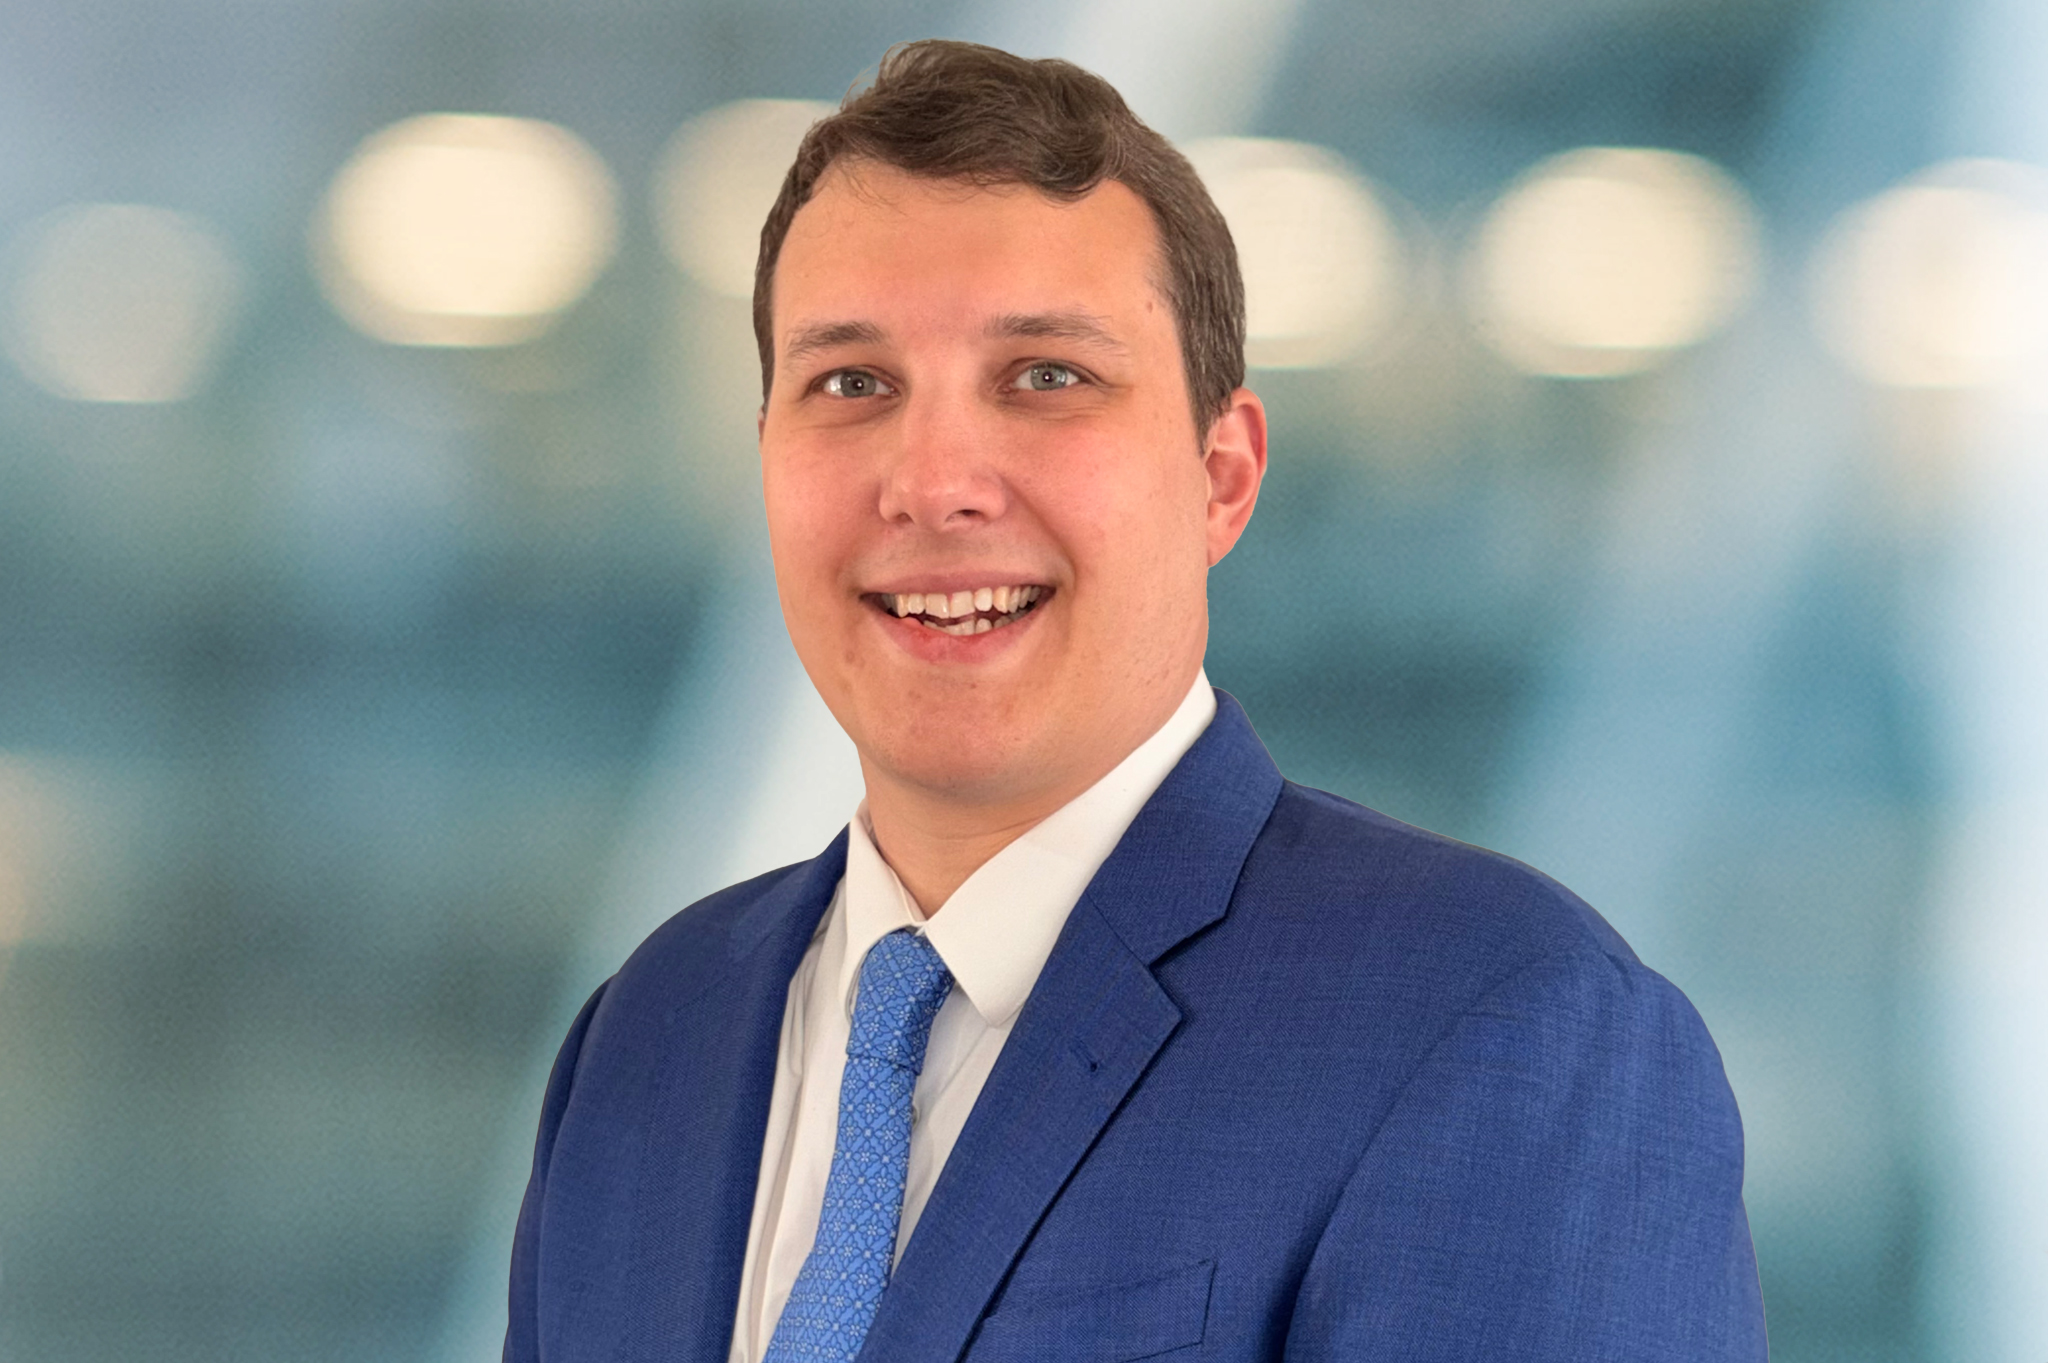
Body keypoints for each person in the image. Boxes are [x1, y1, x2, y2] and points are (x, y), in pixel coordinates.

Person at [504, 39, 1767, 1363]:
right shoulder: (647, 1040)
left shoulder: (1504, 1029)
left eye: (1047, 376)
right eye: (851, 383)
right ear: (765, 457)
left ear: (1222, 476)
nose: (934, 483)